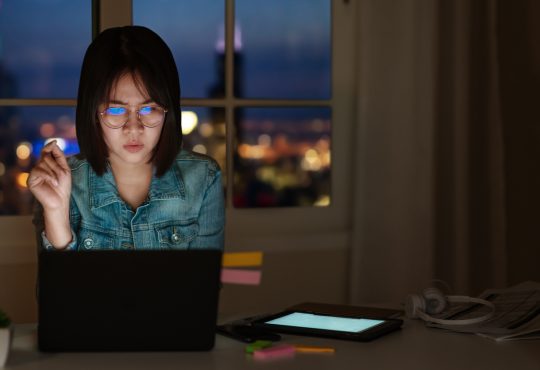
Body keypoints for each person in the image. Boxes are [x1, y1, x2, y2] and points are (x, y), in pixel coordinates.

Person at [28, 26, 224, 251]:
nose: (134, 128)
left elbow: (204, 282)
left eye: (149, 109)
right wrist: (55, 210)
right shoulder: (60, 182)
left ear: (169, 111)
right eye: (116, 111)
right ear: (93, 114)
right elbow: (57, 285)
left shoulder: (204, 179)